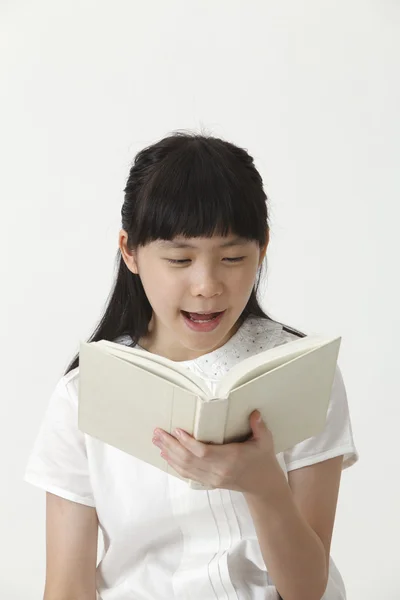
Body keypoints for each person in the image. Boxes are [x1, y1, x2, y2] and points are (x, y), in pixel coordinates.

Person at [24, 131, 358, 600]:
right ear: (130, 251)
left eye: (233, 258)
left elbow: (307, 589)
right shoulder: (85, 394)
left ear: (262, 248)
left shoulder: (302, 375)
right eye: (180, 259)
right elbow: (66, 587)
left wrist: (263, 485)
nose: (207, 285)